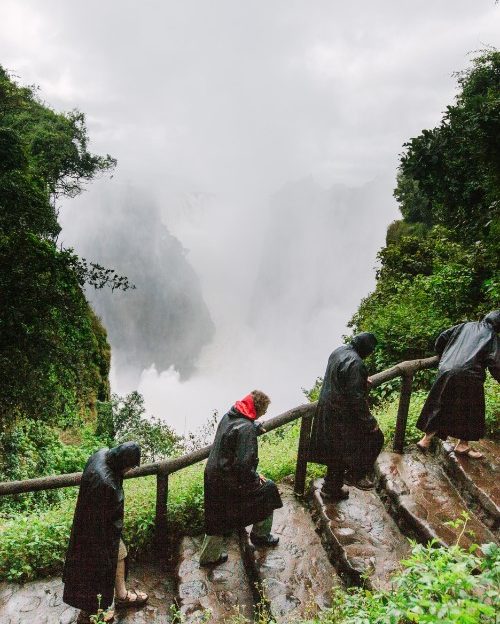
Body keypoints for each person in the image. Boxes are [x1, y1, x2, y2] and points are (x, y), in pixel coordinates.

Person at [63, 442, 149, 623]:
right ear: (122, 463)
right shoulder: (105, 483)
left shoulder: (101, 455)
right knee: (97, 568)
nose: (130, 470)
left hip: (95, 523)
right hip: (97, 533)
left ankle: (121, 595)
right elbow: (101, 524)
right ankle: (96, 611)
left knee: (120, 553)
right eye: (130, 467)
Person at [200, 390, 283, 565]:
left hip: (213, 475)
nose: (265, 413)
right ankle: (260, 535)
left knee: (215, 515)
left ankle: (209, 557)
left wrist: (254, 425)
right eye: (265, 410)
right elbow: (244, 466)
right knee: (268, 489)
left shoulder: (229, 415)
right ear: (258, 409)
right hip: (230, 480)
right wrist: (256, 478)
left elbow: (234, 431)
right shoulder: (246, 429)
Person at [309, 332, 383, 499]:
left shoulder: (339, 351)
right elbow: (356, 398)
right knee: (376, 438)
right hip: (342, 416)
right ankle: (355, 475)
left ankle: (330, 489)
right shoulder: (356, 363)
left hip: (326, 409)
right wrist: (370, 422)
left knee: (336, 452)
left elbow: (342, 377)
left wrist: (361, 380)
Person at [417, 310, 500, 458]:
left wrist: (444, 356)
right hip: (470, 375)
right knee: (471, 410)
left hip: (446, 369)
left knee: (440, 403)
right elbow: (495, 363)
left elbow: (442, 337)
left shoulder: (464, 326)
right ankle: (462, 445)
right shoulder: (491, 336)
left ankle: (425, 440)